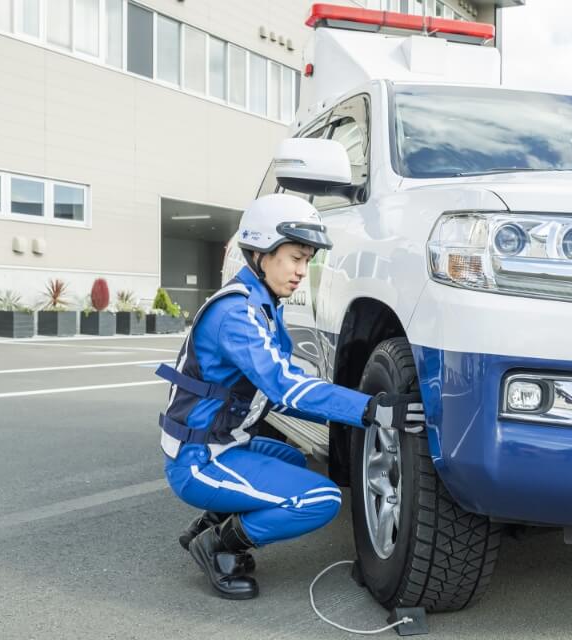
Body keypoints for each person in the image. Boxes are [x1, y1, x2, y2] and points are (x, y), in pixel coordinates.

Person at [155, 193, 422, 600]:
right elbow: (286, 387)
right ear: (262, 251)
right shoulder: (238, 315)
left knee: (295, 460)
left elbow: (271, 395)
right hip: (199, 459)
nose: (302, 270)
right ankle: (219, 545)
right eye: (296, 257)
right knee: (321, 498)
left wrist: (350, 412)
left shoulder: (260, 304)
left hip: (221, 441)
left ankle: (209, 524)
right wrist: (370, 409)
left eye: (307, 259)